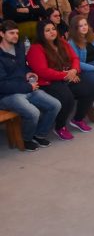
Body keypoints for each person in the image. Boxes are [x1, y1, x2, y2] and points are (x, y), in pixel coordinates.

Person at [26, 20, 94, 141]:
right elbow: (42, 71)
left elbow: (74, 58)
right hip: (48, 82)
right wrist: (66, 75)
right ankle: (60, 127)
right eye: (47, 30)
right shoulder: (36, 48)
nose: (52, 32)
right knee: (67, 98)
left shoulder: (61, 42)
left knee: (89, 89)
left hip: (66, 77)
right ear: (40, 33)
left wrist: (74, 70)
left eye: (53, 29)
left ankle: (78, 119)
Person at [0, 21, 60, 151]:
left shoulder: (19, 46)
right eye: (11, 33)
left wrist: (28, 72)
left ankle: (39, 134)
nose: (15, 36)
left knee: (55, 105)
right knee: (33, 113)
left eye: (17, 33)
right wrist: (28, 87)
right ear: (2, 34)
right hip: (7, 95)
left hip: (25, 87)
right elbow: (2, 84)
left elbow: (22, 67)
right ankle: (26, 139)